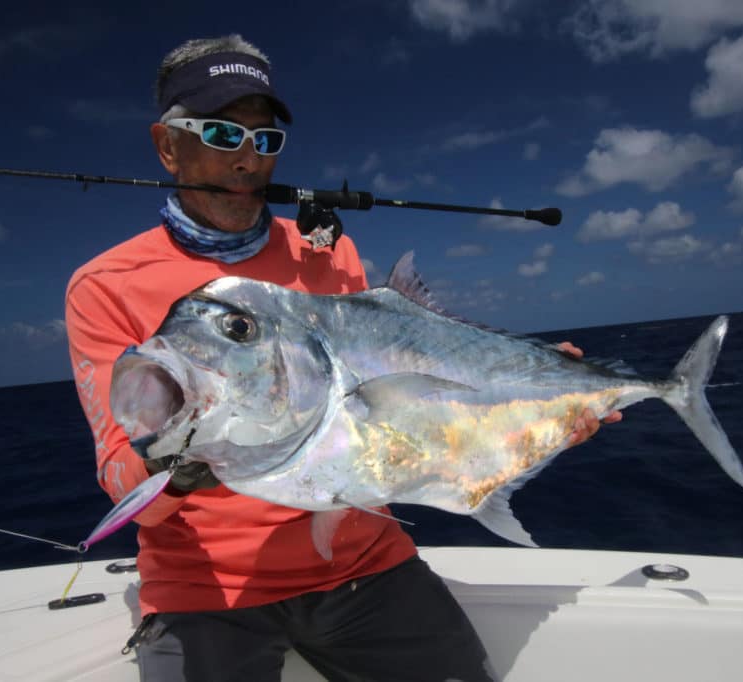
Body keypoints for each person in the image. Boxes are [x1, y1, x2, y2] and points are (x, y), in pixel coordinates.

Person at [66, 34, 618, 682]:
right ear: (167, 144)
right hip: (207, 593)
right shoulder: (105, 285)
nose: (247, 159)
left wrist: (523, 403)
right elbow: (121, 476)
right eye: (221, 134)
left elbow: (394, 420)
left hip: (364, 564)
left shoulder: (326, 254)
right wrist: (178, 461)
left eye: (265, 140)